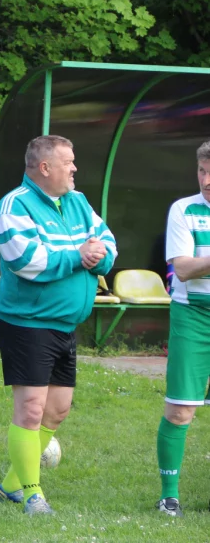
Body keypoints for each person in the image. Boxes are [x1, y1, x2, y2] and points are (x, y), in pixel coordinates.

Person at [0, 134, 116, 515]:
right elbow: (29, 261)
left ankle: (10, 485)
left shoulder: (78, 202)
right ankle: (32, 493)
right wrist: (80, 256)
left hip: (65, 324)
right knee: (30, 408)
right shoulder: (14, 205)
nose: (75, 168)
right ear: (45, 168)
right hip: (28, 323)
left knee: (57, 410)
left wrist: (99, 257)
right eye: (69, 162)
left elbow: (108, 243)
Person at [155, 139, 210, 517]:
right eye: (203, 171)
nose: (207, 180)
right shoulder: (184, 209)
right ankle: (169, 495)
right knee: (179, 410)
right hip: (193, 314)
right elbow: (185, 268)